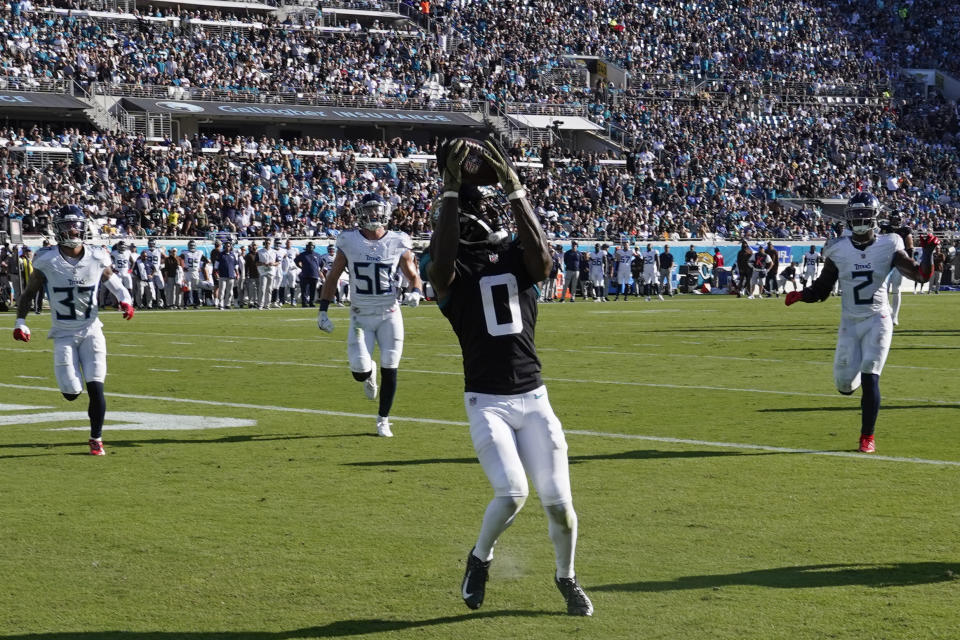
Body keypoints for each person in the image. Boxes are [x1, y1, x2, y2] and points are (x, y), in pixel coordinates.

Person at [426, 137, 593, 617]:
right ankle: (480, 559)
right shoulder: (448, 272)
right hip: (488, 402)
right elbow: (440, 262)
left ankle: (567, 578)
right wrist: (451, 192)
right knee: (514, 492)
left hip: (534, 399)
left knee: (561, 506)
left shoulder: (520, 259)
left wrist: (516, 190)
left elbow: (542, 259)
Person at [785, 192, 937, 454]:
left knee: (871, 374)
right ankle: (855, 383)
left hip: (878, 318)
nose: (859, 219)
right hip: (849, 321)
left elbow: (921, 275)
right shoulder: (838, 248)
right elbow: (823, 288)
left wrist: (929, 253)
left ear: (875, 217)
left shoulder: (890, 243)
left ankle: (867, 436)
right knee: (844, 386)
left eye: (863, 214)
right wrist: (802, 295)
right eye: (854, 215)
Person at [12, 205, 135, 455]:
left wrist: (125, 299)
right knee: (71, 392)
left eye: (76, 224)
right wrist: (20, 321)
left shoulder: (98, 255)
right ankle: (75, 396)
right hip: (63, 333)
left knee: (96, 386)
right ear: (58, 230)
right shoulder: (46, 259)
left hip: (92, 330)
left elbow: (111, 278)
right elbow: (28, 293)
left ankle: (96, 438)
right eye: (67, 225)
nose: (73, 229)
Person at [316, 193, 423, 438]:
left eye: (378, 210)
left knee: (391, 366)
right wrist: (323, 310)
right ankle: (368, 374)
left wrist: (416, 291)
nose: (374, 214)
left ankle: (383, 420)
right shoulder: (349, 240)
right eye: (369, 210)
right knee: (359, 371)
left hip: (389, 314)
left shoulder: (398, 240)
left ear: (385, 212)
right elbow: (332, 277)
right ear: (361, 213)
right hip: (360, 316)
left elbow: (413, 275)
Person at [880, 212, 914, 324]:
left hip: (899, 263)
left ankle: (895, 316)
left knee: (896, 289)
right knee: (883, 289)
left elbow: (910, 247)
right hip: (886, 262)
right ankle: (888, 310)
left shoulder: (905, 231)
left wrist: (910, 263)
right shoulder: (885, 229)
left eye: (898, 219)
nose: (896, 221)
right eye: (894, 219)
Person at [295, 242, 321, 306]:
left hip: (314, 275)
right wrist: (300, 267)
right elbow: (296, 261)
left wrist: (318, 270)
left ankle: (311, 302)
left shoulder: (317, 255)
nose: (310, 247)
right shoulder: (302, 254)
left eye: (311, 246)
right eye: (308, 246)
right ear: (306, 247)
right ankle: (304, 303)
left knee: (312, 290)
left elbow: (322, 263)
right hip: (305, 274)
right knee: (304, 290)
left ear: (314, 247)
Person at [214, 241, 239, 309]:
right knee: (222, 291)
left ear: (230, 247)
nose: (228, 247)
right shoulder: (220, 254)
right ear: (224, 246)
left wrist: (237, 273)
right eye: (226, 246)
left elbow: (235, 265)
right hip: (222, 275)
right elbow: (216, 265)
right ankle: (220, 303)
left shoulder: (232, 255)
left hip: (231, 275)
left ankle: (227, 304)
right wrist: (216, 273)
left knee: (230, 291)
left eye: (229, 246)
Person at [181, 240, 204, 308]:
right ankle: (185, 304)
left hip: (195, 272)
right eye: (190, 245)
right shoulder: (185, 252)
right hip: (187, 272)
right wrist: (183, 266)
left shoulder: (199, 252)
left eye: (193, 245)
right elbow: (179, 259)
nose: (192, 247)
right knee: (186, 288)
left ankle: (196, 303)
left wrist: (201, 267)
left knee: (195, 289)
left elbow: (206, 260)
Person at [256, 239, 279, 309]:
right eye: (266, 243)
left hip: (271, 272)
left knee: (269, 289)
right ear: (264, 244)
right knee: (262, 288)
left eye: (269, 243)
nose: (267, 244)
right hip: (263, 272)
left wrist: (273, 263)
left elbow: (278, 262)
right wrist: (263, 263)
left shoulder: (274, 252)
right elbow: (256, 262)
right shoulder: (259, 252)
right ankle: (260, 304)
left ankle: (267, 304)